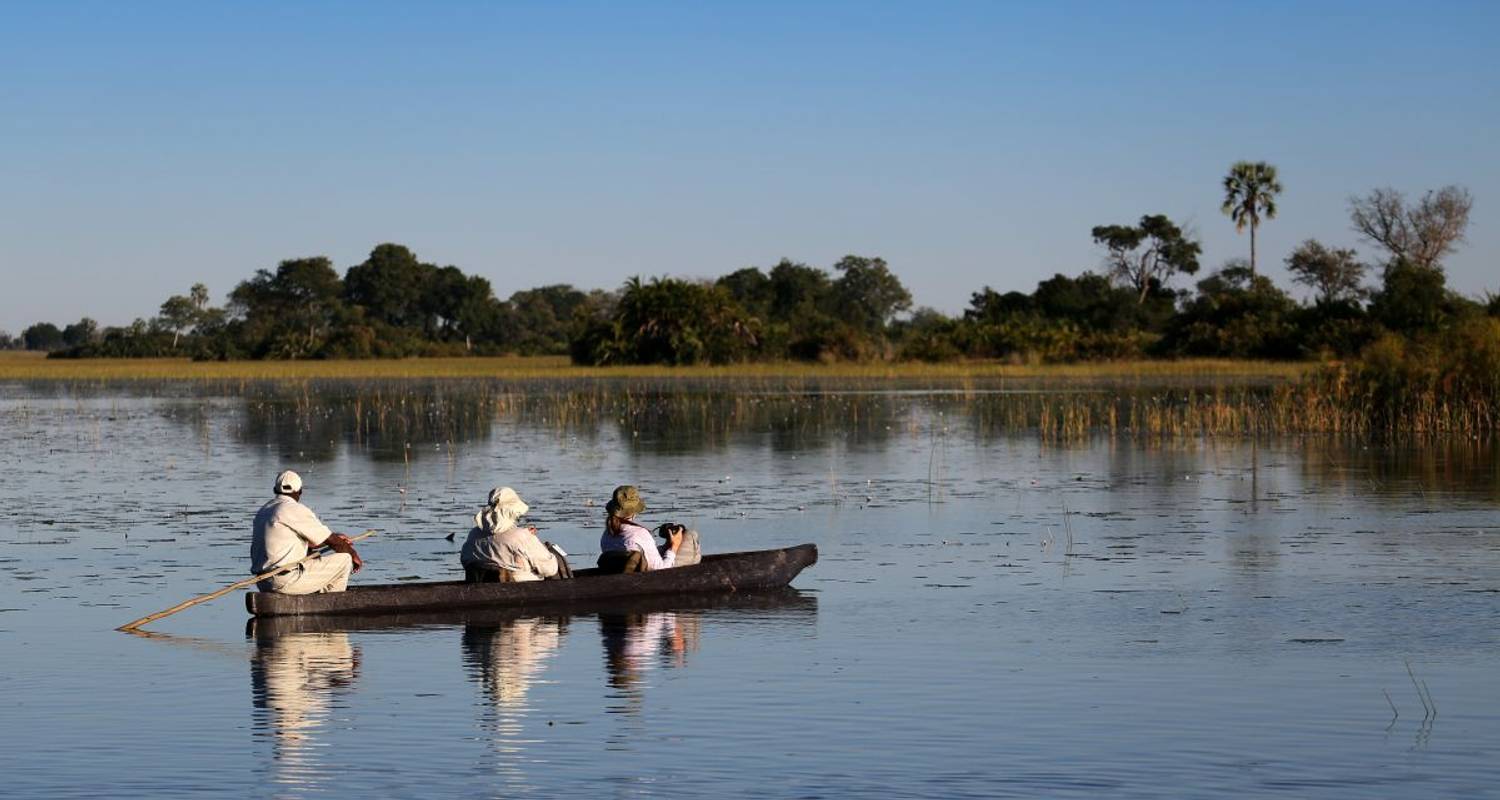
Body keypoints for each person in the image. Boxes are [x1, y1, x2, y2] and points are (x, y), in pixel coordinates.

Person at [251, 470, 363, 594]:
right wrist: (353, 554)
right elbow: (333, 542)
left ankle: (317, 595)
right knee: (345, 560)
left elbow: (303, 543)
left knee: (311, 557)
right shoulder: (293, 508)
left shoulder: (264, 510)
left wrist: (335, 539)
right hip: (285, 581)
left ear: (275, 490)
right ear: (299, 491)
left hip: (263, 583)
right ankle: (330, 603)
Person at [460, 487, 561, 582]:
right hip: (520, 588)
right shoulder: (522, 536)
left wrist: (524, 534)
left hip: (479, 585)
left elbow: (465, 561)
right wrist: (531, 539)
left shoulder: (474, 534)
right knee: (556, 557)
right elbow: (550, 569)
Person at [598, 485, 682, 572]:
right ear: (634, 512)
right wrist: (674, 547)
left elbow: (639, 552)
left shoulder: (607, 534)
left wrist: (666, 546)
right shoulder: (640, 533)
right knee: (690, 536)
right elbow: (661, 570)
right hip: (649, 576)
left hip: (621, 574)